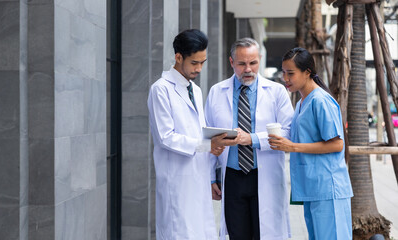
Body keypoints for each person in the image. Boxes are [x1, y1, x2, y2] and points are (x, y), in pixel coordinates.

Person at [147, 29, 238, 240]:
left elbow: (199, 133)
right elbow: (165, 137)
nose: (199, 68)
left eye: (203, 62)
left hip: (198, 178)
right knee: (179, 233)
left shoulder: (195, 90)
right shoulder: (160, 90)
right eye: (194, 62)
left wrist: (214, 147)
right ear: (178, 57)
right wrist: (206, 144)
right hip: (176, 181)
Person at [205, 37, 294, 240]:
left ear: (260, 59)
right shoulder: (217, 92)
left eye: (253, 63)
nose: (248, 69)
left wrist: (252, 139)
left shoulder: (277, 92)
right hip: (232, 177)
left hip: (265, 174)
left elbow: (288, 132)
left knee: (265, 233)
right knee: (238, 235)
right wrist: (211, 177)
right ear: (231, 62)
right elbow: (208, 137)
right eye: (241, 63)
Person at [269, 47, 353, 240]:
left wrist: (292, 147)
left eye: (291, 73)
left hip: (328, 190)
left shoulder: (321, 101)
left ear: (307, 72)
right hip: (312, 189)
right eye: (283, 72)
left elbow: (337, 144)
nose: (285, 78)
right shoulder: (301, 102)